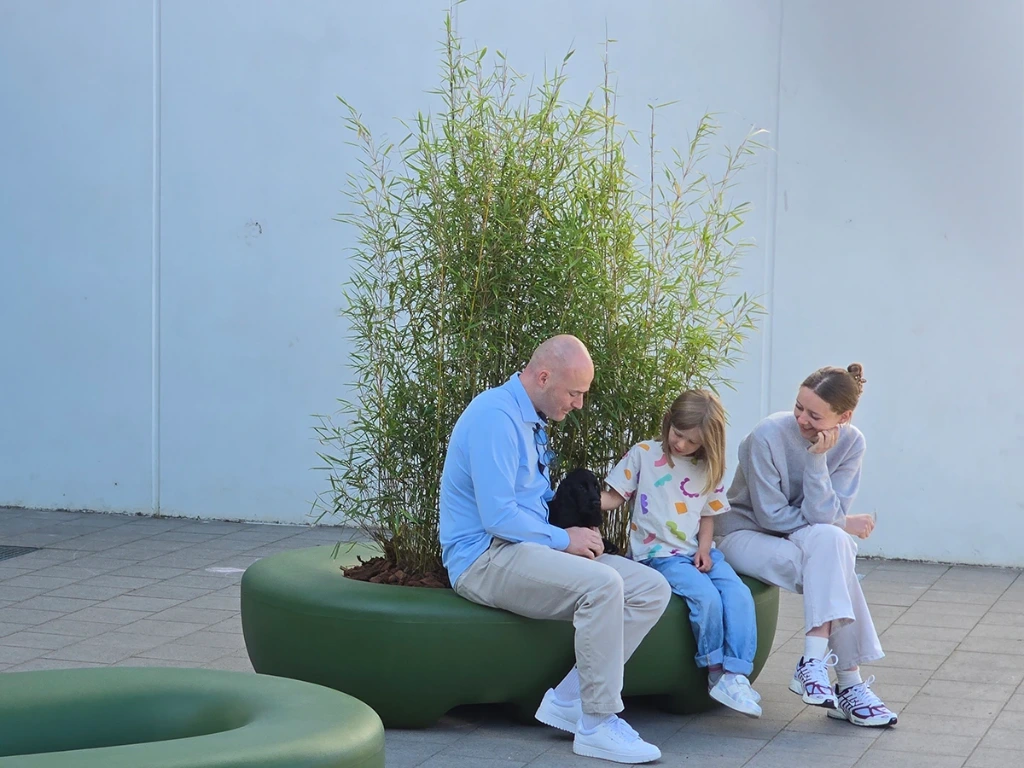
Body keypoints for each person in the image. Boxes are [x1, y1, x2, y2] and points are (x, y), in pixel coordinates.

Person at [439, 334, 670, 764]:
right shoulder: (495, 418)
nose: (579, 404)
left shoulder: (530, 418)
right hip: (484, 557)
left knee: (650, 588)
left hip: (522, 549)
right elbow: (498, 517)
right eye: (574, 393)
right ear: (543, 376)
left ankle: (570, 699)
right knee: (602, 585)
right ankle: (598, 723)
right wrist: (566, 540)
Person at [716, 364, 898, 727]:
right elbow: (770, 516)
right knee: (834, 557)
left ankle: (814, 663)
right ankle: (848, 682)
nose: (801, 418)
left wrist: (817, 462)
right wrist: (835, 524)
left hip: (803, 538)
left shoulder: (852, 443)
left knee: (833, 545)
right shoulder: (766, 435)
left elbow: (828, 516)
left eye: (815, 415)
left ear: (843, 417)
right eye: (799, 407)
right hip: (742, 533)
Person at [601, 390, 763, 718]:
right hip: (657, 555)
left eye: (692, 442)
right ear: (668, 423)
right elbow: (614, 498)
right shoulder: (644, 453)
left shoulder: (708, 467)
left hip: (697, 551)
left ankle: (736, 675)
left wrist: (705, 549)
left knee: (739, 594)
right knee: (706, 598)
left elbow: (707, 516)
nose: (681, 446)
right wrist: (576, 505)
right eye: (678, 435)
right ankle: (715, 672)